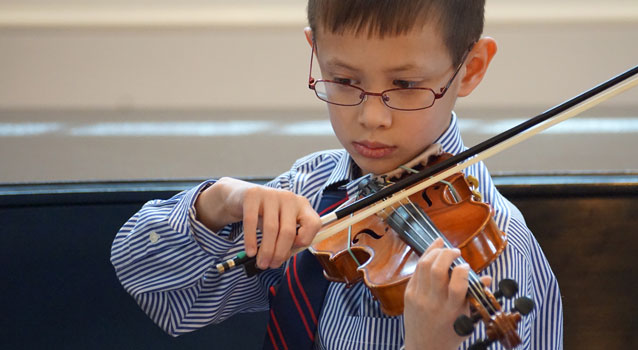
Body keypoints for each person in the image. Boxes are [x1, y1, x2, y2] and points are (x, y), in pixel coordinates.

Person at [111, 1, 562, 349]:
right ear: (316, 54)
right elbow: (155, 287)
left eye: (404, 86)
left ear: (471, 69)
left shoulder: (503, 255)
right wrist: (220, 201)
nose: (371, 117)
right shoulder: (312, 185)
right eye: (344, 80)